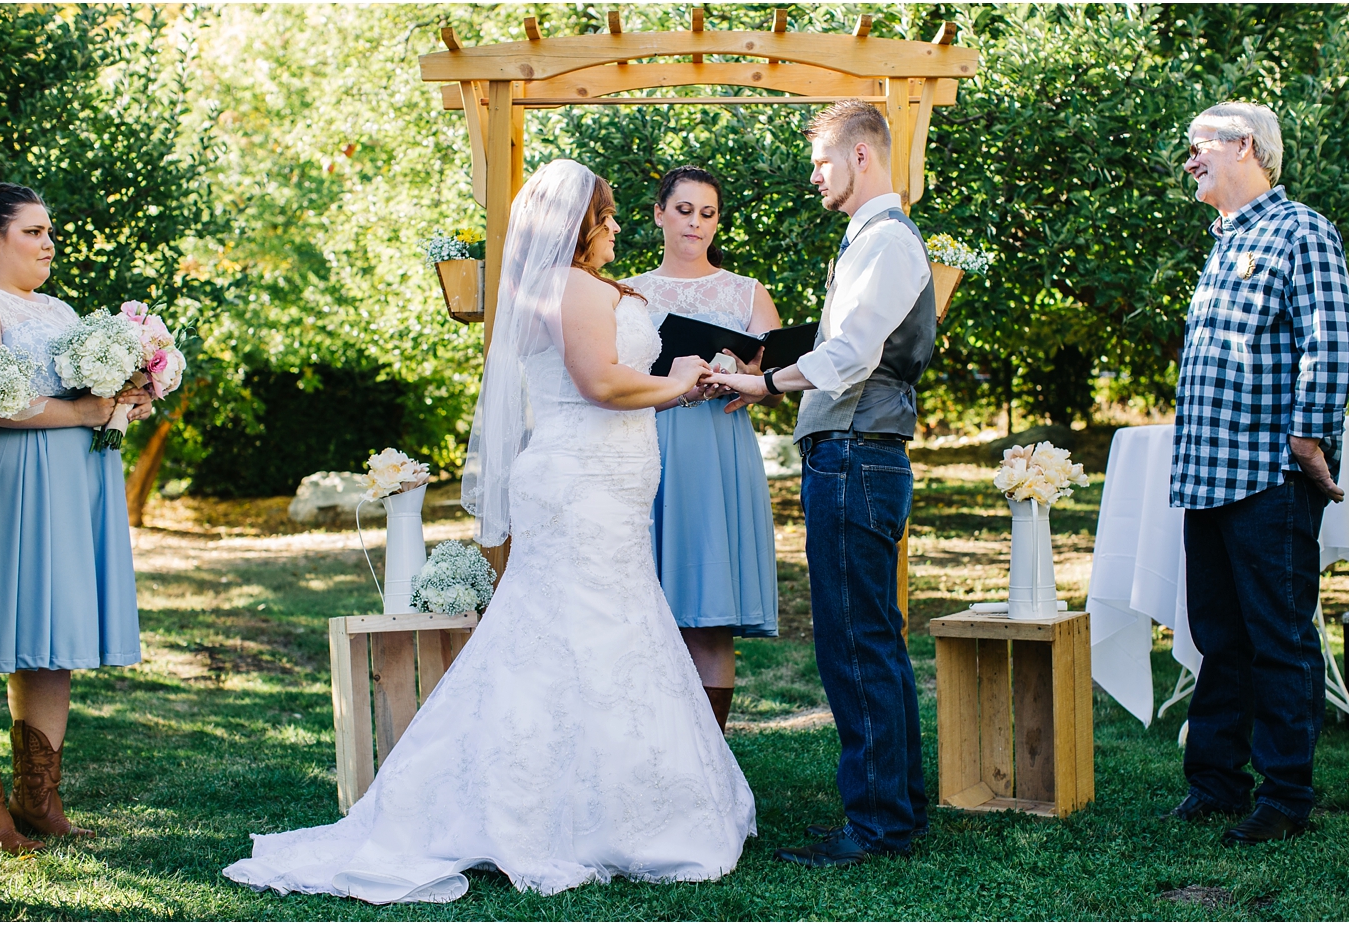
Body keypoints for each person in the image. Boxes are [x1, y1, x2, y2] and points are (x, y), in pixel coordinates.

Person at [224, 160, 753, 902]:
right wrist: (681, 381)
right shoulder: (567, 286)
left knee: (605, 633)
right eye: (606, 217)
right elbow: (600, 385)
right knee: (577, 635)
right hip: (578, 487)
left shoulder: (579, 286)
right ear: (578, 226)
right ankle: (564, 809)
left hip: (610, 487)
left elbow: (619, 388)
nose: (615, 228)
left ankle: (603, 798)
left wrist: (678, 380)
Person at [706, 100, 934, 867]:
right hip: (856, 454)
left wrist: (766, 381)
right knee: (876, 638)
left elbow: (848, 356)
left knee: (854, 643)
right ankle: (900, 810)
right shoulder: (869, 242)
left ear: (862, 155)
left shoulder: (888, 244)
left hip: (855, 455)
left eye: (822, 161)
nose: (815, 175)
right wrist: (765, 374)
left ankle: (876, 826)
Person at [1164, 101, 1349, 848]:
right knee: (1219, 638)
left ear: (1245, 146)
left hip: (1267, 474)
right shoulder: (1224, 241)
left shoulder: (1300, 229)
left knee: (1278, 638)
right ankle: (1215, 782)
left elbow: (1330, 339)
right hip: (1207, 475)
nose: (1190, 161)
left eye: (1198, 146)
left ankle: (1285, 796)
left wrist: (1309, 436)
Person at [0, 183, 152, 852]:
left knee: (50, 639)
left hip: (73, 485)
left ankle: (39, 798)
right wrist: (86, 411)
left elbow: (87, 387)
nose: (48, 242)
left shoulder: (58, 307)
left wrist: (127, 397)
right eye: (32, 231)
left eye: (49, 230)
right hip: (12, 487)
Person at [618, 166, 783, 732]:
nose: (695, 223)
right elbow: (616, 375)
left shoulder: (746, 291)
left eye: (707, 213)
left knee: (708, 609)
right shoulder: (629, 292)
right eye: (684, 210)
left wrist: (739, 375)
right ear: (660, 213)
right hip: (653, 446)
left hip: (719, 450)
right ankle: (652, 744)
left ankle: (709, 755)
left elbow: (777, 378)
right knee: (646, 605)